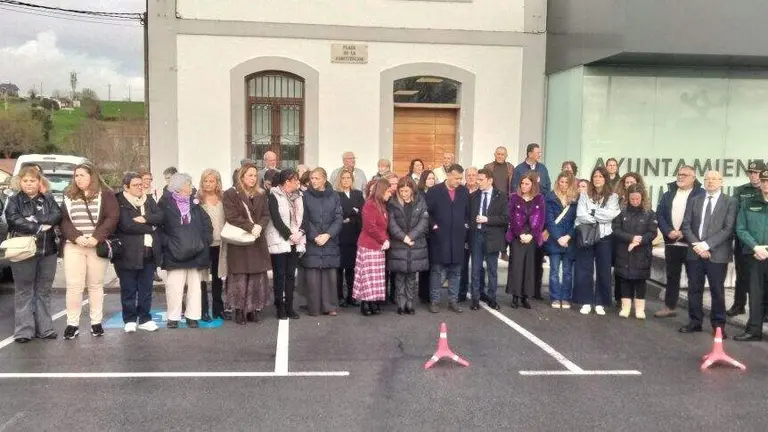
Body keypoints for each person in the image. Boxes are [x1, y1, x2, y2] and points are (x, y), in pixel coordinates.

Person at [60, 163, 119, 339]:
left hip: (96, 245)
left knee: (95, 285)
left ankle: (96, 323)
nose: (78, 179)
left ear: (92, 176)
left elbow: (112, 217)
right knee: (74, 286)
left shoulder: (106, 194)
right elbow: (64, 221)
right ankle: (72, 324)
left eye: (82, 175)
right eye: (76, 175)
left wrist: (96, 237)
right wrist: (76, 237)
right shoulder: (69, 195)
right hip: (74, 245)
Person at [5, 166, 62, 342]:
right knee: (24, 291)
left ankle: (45, 329)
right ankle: (24, 331)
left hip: (48, 251)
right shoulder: (13, 200)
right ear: (20, 182)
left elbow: (57, 215)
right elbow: (14, 220)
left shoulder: (48, 198)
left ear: (39, 182)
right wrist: (38, 227)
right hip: (23, 252)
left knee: (43, 290)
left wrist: (35, 220)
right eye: (25, 180)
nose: (29, 184)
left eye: (32, 180)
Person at [678, 170, 737, 335]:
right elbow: (686, 225)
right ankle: (695, 322)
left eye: (714, 179)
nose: (710, 182)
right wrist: (698, 245)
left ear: (721, 182)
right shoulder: (694, 200)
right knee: (694, 289)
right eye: (707, 179)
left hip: (717, 254)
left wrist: (706, 245)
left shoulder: (730, 202)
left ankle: (718, 326)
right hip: (695, 252)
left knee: (717, 291)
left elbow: (728, 229)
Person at [159, 173, 212, 328]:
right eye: (188, 184)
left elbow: (206, 222)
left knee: (195, 286)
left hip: (196, 250)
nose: (191, 187)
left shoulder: (194, 203)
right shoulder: (165, 203)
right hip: (174, 252)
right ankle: (173, 317)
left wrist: (205, 240)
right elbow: (159, 227)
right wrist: (168, 243)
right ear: (179, 186)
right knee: (174, 287)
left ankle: (192, 316)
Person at [113, 172, 163, 333]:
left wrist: (146, 218)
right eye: (136, 185)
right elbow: (126, 225)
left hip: (149, 251)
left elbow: (160, 217)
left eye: (141, 184)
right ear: (126, 187)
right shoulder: (119, 201)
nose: (140, 187)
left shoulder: (148, 200)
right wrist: (151, 227)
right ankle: (129, 319)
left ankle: (145, 318)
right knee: (128, 288)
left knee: (146, 288)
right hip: (127, 252)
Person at [222, 164, 271, 324]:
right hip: (240, 240)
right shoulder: (231, 194)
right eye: (250, 175)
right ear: (242, 176)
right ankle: (239, 310)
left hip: (257, 241)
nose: (253, 178)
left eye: (255, 176)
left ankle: (253, 309)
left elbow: (266, 214)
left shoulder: (261, 194)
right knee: (240, 276)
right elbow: (232, 216)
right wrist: (251, 227)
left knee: (257, 276)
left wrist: (260, 226)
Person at [654, 165, 704, 318]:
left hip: (691, 244)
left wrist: (683, 232)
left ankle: (695, 314)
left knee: (694, 279)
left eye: (685, 175)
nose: (680, 177)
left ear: (693, 178)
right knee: (672, 276)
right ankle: (669, 307)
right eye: (679, 174)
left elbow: (701, 218)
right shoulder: (669, 194)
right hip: (671, 242)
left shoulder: (701, 194)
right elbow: (660, 214)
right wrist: (668, 231)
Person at [573, 167, 620, 316]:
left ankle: (600, 302)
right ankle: (585, 301)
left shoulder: (613, 197)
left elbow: (611, 215)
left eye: (600, 176)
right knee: (584, 268)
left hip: (605, 236)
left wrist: (592, 212)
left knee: (604, 270)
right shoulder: (584, 195)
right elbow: (581, 215)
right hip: (587, 235)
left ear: (605, 178)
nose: (597, 179)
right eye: (595, 176)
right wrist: (598, 217)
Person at [426, 164, 470, 313]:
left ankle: (453, 301)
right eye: (456, 178)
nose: (459, 181)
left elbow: (467, 213)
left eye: (460, 178)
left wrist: (465, 226)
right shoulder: (434, 191)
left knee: (456, 272)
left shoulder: (464, 191)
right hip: (439, 238)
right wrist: (434, 226)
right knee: (437, 271)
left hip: (457, 238)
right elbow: (427, 213)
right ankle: (434, 301)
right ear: (449, 175)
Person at [612, 184, 658, 319]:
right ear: (628, 198)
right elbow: (616, 229)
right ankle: (625, 307)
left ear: (642, 198)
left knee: (640, 280)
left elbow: (652, 232)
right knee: (624, 279)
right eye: (632, 199)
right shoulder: (622, 212)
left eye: (637, 198)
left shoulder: (649, 213)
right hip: (624, 250)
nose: (635, 201)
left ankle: (639, 309)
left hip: (642, 252)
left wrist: (639, 241)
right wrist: (630, 238)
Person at [302, 167, 343, 316]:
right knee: (312, 276)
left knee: (329, 275)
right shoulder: (305, 196)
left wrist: (328, 235)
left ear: (324, 179)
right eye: (312, 178)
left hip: (329, 240)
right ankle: (314, 307)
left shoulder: (334, 196)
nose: (313, 181)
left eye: (317, 178)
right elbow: (304, 218)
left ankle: (329, 306)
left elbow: (339, 217)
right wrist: (314, 236)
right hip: (312, 240)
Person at [728, 160, 767, 317]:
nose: (754, 175)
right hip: (743, 240)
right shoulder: (741, 190)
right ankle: (739, 304)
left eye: (757, 173)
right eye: (751, 172)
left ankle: (764, 310)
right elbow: (734, 214)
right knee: (742, 274)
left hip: (763, 241)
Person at [734, 168, 768, 342]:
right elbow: (740, 228)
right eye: (764, 181)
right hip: (755, 255)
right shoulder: (748, 203)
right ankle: (754, 330)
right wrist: (756, 247)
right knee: (755, 294)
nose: (766, 184)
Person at [266, 169, 305, 320]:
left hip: (296, 240)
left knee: (290, 275)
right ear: (287, 181)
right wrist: (289, 235)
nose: (298, 182)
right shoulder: (274, 195)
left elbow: (305, 216)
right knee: (279, 275)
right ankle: (280, 307)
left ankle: (289, 307)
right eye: (295, 180)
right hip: (280, 240)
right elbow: (276, 219)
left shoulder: (299, 196)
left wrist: (300, 233)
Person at [388, 177, 429, 315]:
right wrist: (404, 237)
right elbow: (392, 224)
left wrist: (411, 236)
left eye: (406, 191)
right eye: (401, 191)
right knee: (400, 277)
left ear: (412, 190)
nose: (404, 194)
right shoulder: (392, 203)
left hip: (415, 244)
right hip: (399, 244)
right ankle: (400, 304)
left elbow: (424, 222)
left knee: (411, 277)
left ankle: (410, 304)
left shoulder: (420, 201)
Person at [468, 168, 507, 310]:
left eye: (481, 179)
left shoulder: (501, 196)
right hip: (477, 235)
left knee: (492, 269)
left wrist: (487, 219)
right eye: (477, 179)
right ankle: (475, 299)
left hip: (493, 236)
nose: (477, 182)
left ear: (490, 180)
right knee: (475, 269)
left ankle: (492, 298)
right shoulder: (473, 196)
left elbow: (505, 218)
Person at [506, 172, 546, 309]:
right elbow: (511, 218)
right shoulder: (514, 198)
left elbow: (541, 220)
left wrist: (532, 235)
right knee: (516, 266)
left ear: (533, 185)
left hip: (532, 237)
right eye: (522, 183)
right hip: (517, 236)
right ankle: (515, 296)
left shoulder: (539, 199)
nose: (523, 186)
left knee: (529, 267)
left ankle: (525, 297)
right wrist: (520, 235)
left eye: (527, 184)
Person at [353, 178, 391, 315]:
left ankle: (373, 302)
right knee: (367, 276)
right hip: (369, 245)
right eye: (388, 191)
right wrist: (383, 240)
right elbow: (370, 227)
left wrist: (385, 240)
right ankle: (365, 303)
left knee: (376, 277)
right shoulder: (370, 204)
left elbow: (383, 227)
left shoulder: (381, 205)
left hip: (378, 246)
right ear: (382, 191)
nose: (390, 194)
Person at [545, 171, 578, 309]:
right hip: (555, 239)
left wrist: (568, 236)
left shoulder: (576, 198)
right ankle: (554, 297)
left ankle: (565, 297)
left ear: (571, 184)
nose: (563, 185)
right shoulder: (550, 197)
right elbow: (549, 220)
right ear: (558, 182)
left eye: (566, 182)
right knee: (554, 271)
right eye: (561, 182)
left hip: (570, 240)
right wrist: (558, 237)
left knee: (567, 272)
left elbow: (577, 221)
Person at [198, 169, 226, 321]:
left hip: (220, 243)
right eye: (205, 181)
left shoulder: (223, 198)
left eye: (211, 181)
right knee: (202, 279)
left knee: (217, 277)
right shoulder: (198, 200)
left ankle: (218, 309)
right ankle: (203, 310)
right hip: (204, 245)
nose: (208, 184)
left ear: (217, 183)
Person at [335, 168, 364, 307]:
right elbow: (338, 214)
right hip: (340, 236)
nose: (346, 180)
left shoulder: (358, 194)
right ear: (339, 180)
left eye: (348, 178)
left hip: (354, 236)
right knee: (339, 269)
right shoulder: (335, 195)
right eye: (343, 178)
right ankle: (340, 296)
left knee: (352, 269)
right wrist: (352, 212)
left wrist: (350, 217)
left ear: (352, 180)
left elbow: (361, 213)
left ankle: (352, 296)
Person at [459, 167, 481, 302]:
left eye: (474, 175)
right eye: (469, 175)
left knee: (478, 266)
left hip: (477, 233)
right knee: (462, 265)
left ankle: (479, 292)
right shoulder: (461, 191)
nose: (471, 177)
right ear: (465, 177)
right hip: (462, 233)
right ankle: (461, 292)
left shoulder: (482, 192)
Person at [417, 170, 436, 303]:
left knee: (432, 264)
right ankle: (423, 293)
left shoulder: (436, 193)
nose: (431, 181)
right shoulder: (419, 194)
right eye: (429, 178)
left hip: (434, 233)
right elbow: (423, 213)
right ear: (424, 180)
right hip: (424, 233)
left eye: (433, 178)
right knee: (424, 264)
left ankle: (430, 292)